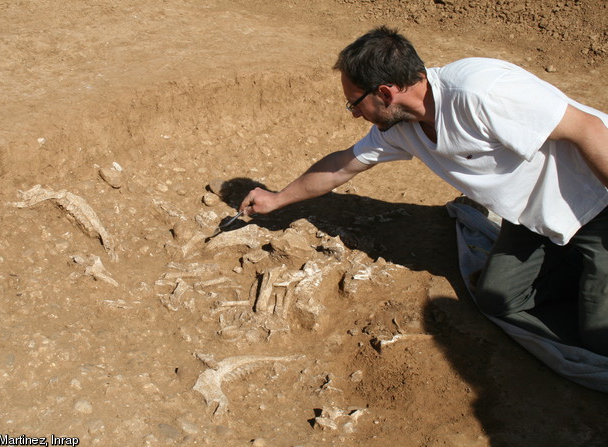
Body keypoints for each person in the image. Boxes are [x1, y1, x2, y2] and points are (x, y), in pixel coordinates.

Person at [239, 25, 608, 356]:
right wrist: (276, 199)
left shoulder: (480, 92)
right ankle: (585, 273)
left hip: (597, 206)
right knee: (500, 300)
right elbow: (343, 165)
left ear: (384, 92)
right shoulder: (403, 127)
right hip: (536, 219)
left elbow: (588, 130)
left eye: (354, 103)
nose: (353, 113)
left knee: (598, 338)